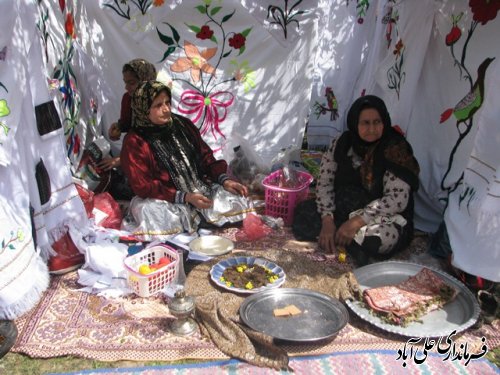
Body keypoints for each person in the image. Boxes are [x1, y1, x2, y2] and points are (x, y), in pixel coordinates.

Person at [120, 80, 250, 240]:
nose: (166, 109)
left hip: (200, 189)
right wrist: (185, 197)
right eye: (158, 105)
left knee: (235, 199)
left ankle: (198, 219)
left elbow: (206, 156)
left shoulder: (182, 125)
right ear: (144, 110)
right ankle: (195, 221)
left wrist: (224, 181)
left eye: (168, 102)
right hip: (165, 199)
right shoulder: (134, 141)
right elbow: (143, 186)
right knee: (150, 212)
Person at [315, 95, 420, 266]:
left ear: (384, 122)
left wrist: (357, 221)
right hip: (344, 209)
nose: (371, 129)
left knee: (376, 239)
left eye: (377, 122)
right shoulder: (342, 144)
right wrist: (327, 220)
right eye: (365, 123)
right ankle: (345, 236)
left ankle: (351, 239)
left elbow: (397, 199)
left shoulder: (394, 148)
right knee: (303, 218)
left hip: (381, 217)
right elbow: (324, 182)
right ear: (355, 123)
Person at [97, 59, 157, 199]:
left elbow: (154, 145)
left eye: (132, 83)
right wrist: (117, 128)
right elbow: (126, 123)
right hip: (132, 152)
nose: (127, 87)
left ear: (146, 82)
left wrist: (120, 160)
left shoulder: (158, 105)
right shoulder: (128, 99)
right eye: (125, 82)